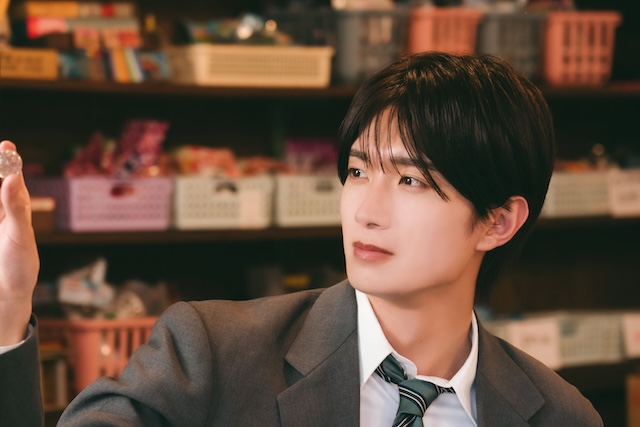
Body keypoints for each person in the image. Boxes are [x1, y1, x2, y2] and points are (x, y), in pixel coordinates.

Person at [0, 52, 603, 426]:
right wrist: (7, 312)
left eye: (411, 180)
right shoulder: (212, 354)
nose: (366, 211)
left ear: (498, 222)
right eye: (358, 171)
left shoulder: (561, 415)